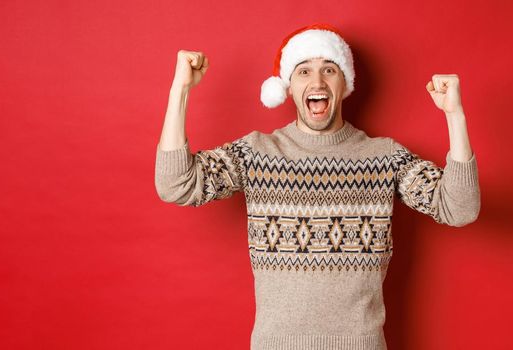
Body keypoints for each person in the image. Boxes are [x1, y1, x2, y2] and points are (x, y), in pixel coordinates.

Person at [155, 23, 480, 350]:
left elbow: (458, 208)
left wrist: (455, 116)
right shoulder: (257, 153)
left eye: (329, 69)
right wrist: (179, 90)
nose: (317, 81)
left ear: (345, 84)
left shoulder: (383, 156)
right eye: (304, 71)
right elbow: (177, 184)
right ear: (288, 87)